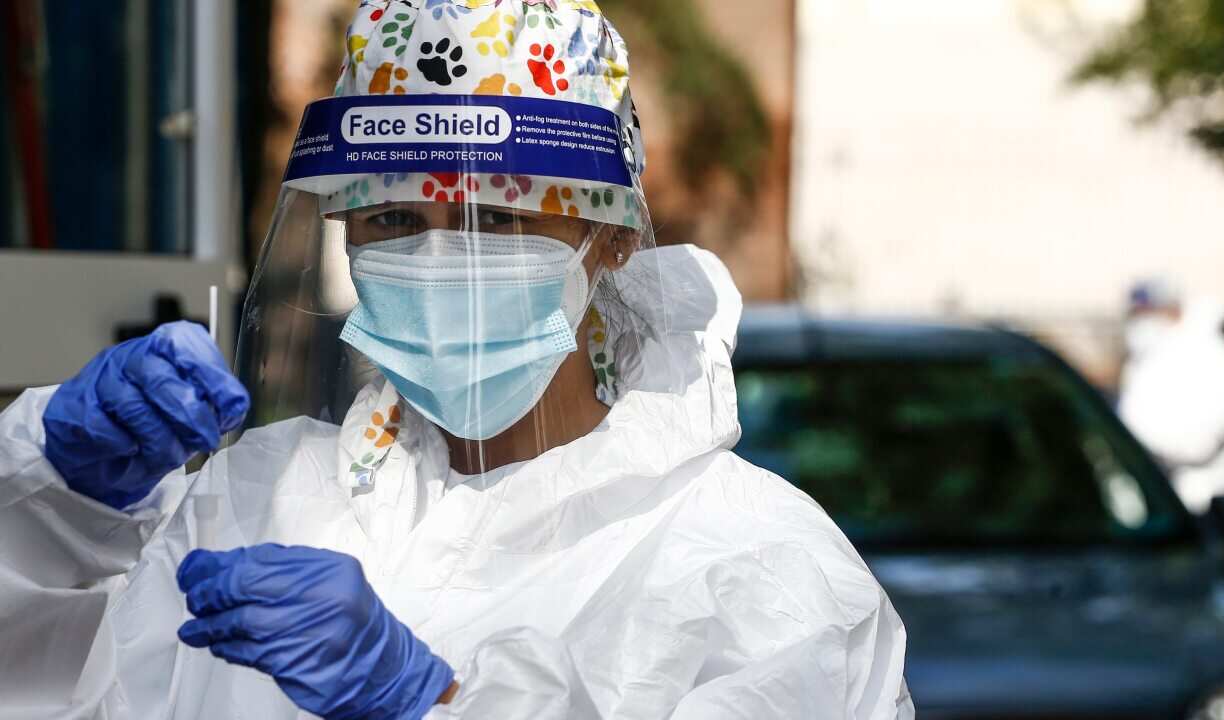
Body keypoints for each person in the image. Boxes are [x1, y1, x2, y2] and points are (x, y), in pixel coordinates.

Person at [0, 1, 913, 718]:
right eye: (394, 219)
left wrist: (430, 702)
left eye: (500, 219)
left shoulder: (757, 571)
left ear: (611, 238)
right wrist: (55, 506)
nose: (440, 259)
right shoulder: (257, 503)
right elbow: (50, 684)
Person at [1118, 279, 1224, 514]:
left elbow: (1199, 442)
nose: (1141, 321)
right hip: (1159, 496)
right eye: (1136, 313)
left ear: (1173, 309)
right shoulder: (1149, 356)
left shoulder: (1213, 355)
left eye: (1147, 312)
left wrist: (1137, 449)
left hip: (1206, 502)